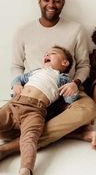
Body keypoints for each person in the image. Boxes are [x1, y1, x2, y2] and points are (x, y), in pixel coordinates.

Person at [0, 0, 96, 164]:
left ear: (63, 3)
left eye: (56, 1)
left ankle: (8, 149)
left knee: (88, 109)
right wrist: (17, 85)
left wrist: (74, 83)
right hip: (31, 97)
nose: (51, 5)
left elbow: (84, 66)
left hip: (65, 90)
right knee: (5, 125)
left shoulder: (76, 29)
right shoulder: (23, 31)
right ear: (39, 1)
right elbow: (16, 66)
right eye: (46, 0)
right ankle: (76, 132)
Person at [1, 46, 78, 175]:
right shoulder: (36, 71)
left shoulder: (62, 78)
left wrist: (73, 88)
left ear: (64, 63)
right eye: (46, 54)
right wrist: (16, 84)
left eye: (52, 53)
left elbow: (69, 99)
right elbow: (18, 78)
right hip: (13, 105)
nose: (46, 55)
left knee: (29, 139)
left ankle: (26, 169)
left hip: (35, 111)